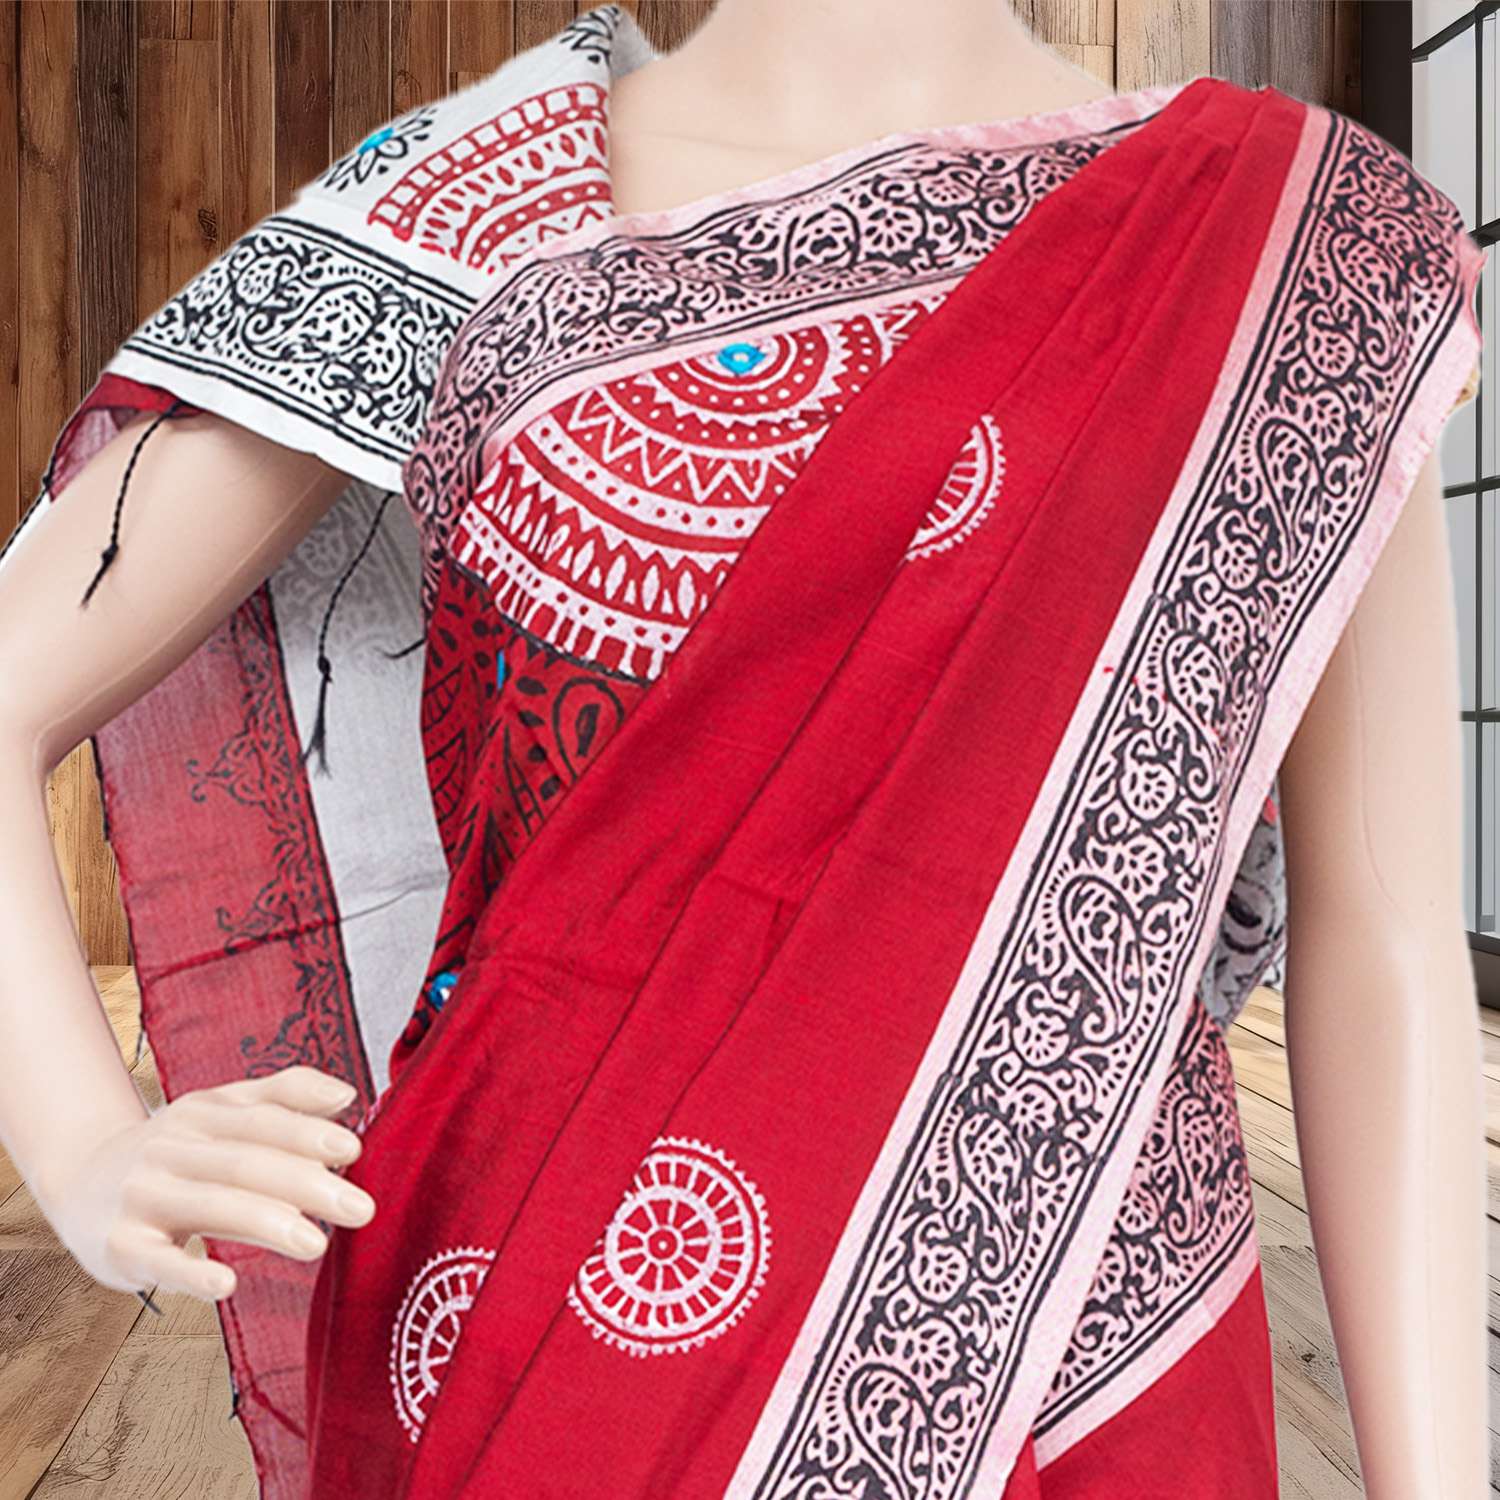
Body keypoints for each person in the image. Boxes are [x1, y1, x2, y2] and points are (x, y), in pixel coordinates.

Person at [0, 2, 1486, 1496]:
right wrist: (85, 1150)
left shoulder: (1295, 246)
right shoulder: (464, 213)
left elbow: (1388, 940)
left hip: (1078, 1328)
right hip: (535, 1322)